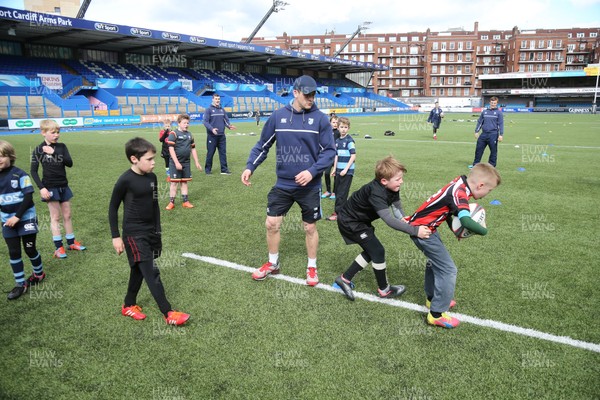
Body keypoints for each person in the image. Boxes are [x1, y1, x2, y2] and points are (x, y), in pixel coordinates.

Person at [241, 75, 335, 286]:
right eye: (306, 94)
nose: (311, 98)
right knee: (271, 223)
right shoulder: (278, 116)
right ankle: (273, 263)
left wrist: (312, 171)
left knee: (310, 228)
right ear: (295, 93)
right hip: (283, 184)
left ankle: (312, 267)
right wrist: (250, 167)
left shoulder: (321, 119)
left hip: (309, 186)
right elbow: (262, 146)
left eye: (313, 94)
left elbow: (329, 152)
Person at [407, 163, 501, 328]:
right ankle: (436, 314)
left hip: (426, 227)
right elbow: (465, 220)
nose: (488, 194)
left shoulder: (460, 183)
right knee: (449, 270)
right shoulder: (460, 193)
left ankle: (431, 300)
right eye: (490, 190)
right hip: (423, 230)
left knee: (434, 264)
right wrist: (484, 230)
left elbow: (449, 210)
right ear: (480, 185)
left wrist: (454, 231)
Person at [109, 137, 190, 326]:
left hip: (150, 231)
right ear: (134, 159)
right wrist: (115, 237)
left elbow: (154, 206)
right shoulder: (125, 180)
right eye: (150, 159)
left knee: (138, 270)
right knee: (151, 271)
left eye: (154, 158)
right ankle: (168, 312)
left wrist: (157, 232)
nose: (154, 163)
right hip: (133, 234)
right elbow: (112, 208)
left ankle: (128, 304)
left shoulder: (152, 177)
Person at [334, 156, 431, 301]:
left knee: (372, 250)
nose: (401, 182)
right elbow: (389, 220)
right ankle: (384, 290)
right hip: (350, 222)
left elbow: (396, 206)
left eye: (401, 178)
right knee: (377, 250)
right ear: (384, 181)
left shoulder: (392, 187)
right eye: (398, 179)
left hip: (361, 221)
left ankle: (344, 279)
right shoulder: (376, 192)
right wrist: (415, 231)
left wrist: (404, 219)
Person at [30, 119, 86, 259]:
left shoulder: (61, 147)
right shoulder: (38, 149)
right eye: (53, 132)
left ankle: (72, 243)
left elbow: (70, 163)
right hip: (50, 187)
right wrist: (42, 188)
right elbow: (34, 172)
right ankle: (58, 247)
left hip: (63, 185)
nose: (56, 135)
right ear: (43, 133)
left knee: (67, 215)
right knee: (55, 217)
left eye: (58, 132)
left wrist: (53, 152)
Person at [0, 140, 46, 300]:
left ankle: (39, 274)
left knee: (30, 248)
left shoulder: (19, 175)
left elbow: (28, 197)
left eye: (1, 156)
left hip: (25, 220)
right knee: (14, 252)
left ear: (10, 156)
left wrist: (17, 216)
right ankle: (20, 284)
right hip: (7, 222)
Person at [165, 113, 202, 210]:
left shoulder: (190, 135)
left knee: (184, 182)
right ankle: (171, 202)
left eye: (188, 123)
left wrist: (196, 162)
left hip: (186, 162)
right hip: (175, 163)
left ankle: (185, 201)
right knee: (174, 183)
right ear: (179, 123)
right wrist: (176, 162)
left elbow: (193, 149)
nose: (186, 125)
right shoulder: (173, 134)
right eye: (184, 123)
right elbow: (171, 149)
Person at [326, 117, 355, 221]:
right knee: (338, 192)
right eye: (341, 127)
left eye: (345, 127)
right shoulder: (337, 141)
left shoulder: (349, 140)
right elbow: (336, 155)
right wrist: (334, 169)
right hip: (339, 171)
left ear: (348, 128)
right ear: (337, 128)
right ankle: (343, 212)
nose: (343, 129)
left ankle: (338, 214)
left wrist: (346, 169)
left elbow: (353, 156)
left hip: (346, 172)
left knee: (342, 194)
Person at [203, 93, 236, 175]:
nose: (217, 100)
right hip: (212, 136)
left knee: (223, 153)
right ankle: (208, 170)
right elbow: (205, 122)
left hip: (221, 136)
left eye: (218, 99)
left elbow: (226, 120)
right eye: (216, 99)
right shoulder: (208, 110)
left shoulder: (222, 110)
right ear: (212, 100)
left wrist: (229, 126)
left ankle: (224, 170)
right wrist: (212, 129)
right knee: (210, 153)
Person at [470, 96, 504, 168]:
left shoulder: (499, 113)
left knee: (493, 151)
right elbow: (480, 122)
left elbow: (501, 124)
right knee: (478, 149)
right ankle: (475, 164)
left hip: (493, 135)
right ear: (489, 103)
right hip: (484, 134)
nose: (493, 104)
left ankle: (491, 166)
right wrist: (476, 131)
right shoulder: (484, 112)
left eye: (494, 103)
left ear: (497, 103)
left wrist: (501, 134)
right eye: (492, 103)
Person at [321, 114, 340, 200]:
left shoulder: (339, 132)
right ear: (330, 123)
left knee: (336, 174)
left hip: (337, 156)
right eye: (333, 122)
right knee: (327, 173)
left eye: (336, 122)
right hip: (329, 156)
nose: (335, 124)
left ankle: (335, 192)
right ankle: (328, 190)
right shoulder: (327, 131)